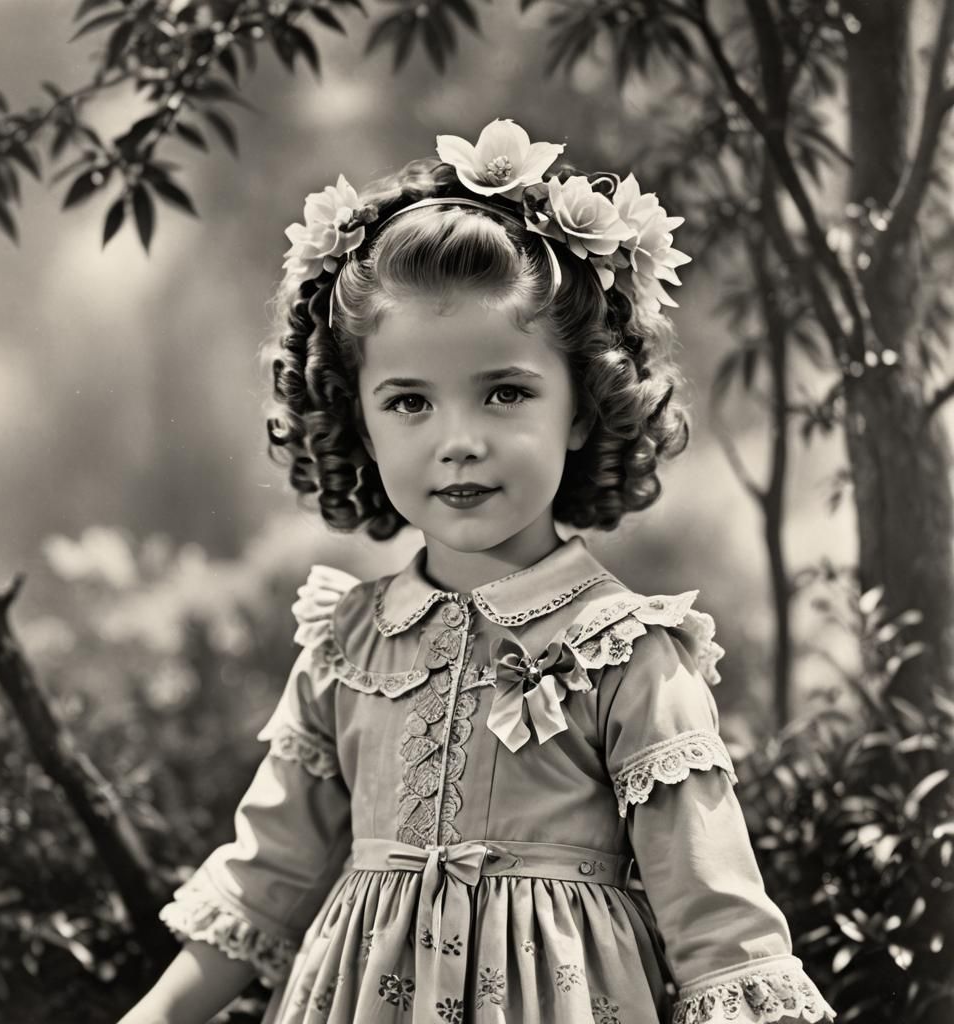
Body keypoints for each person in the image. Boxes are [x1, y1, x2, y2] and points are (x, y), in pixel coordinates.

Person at [117, 119, 837, 1024]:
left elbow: (719, 927)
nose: (458, 441)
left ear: (582, 406)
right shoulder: (343, 646)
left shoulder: (630, 656)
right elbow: (265, 879)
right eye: (409, 402)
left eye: (505, 392)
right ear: (361, 421)